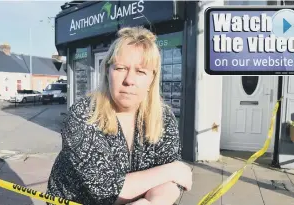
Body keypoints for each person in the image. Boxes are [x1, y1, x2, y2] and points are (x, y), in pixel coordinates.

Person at [46, 26, 192, 205]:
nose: (129, 80)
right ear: (108, 72)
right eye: (121, 68)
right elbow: (106, 190)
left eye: (140, 71)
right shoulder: (83, 115)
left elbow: (171, 183)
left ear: (152, 79)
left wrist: (152, 202)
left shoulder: (164, 117)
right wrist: (171, 170)